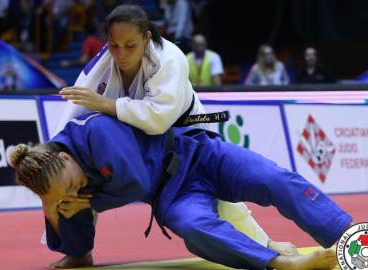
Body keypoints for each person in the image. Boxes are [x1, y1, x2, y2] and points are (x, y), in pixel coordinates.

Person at [55, 3, 289, 268]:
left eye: (130, 45)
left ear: (146, 39)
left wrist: (106, 105)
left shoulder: (169, 57)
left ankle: (265, 245)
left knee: (217, 192)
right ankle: (78, 251)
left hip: (183, 129)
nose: (120, 53)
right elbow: (72, 120)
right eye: (114, 45)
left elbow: (158, 118)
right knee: (76, 180)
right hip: (136, 138)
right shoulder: (99, 70)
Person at [11, 113, 352, 270]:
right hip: (173, 196)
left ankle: (348, 236)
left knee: (274, 179)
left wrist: (89, 202)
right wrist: (53, 209)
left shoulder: (95, 132)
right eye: (66, 194)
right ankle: (280, 264)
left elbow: (137, 184)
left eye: (72, 183)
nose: (77, 191)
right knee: (193, 227)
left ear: (65, 156)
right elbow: (80, 252)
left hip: (200, 155)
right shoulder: (65, 190)